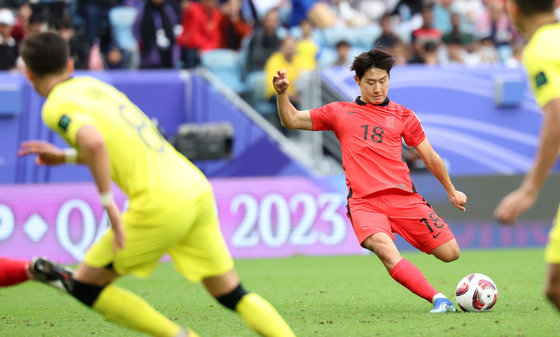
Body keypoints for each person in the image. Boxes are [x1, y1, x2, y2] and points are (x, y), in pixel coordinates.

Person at [16, 31, 295, 337]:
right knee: (231, 292)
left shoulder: (56, 104)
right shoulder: (95, 87)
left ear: (27, 72)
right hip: (193, 186)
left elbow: (95, 144)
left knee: (83, 285)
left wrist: (108, 204)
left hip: (161, 201)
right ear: (70, 64)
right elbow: (115, 146)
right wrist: (66, 157)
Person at [273, 48, 467, 313]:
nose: (378, 88)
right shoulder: (339, 112)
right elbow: (291, 120)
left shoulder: (403, 116)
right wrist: (282, 93)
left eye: (383, 81)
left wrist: (451, 191)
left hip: (404, 199)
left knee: (450, 253)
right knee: (385, 250)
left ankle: (408, 242)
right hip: (365, 203)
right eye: (370, 82)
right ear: (358, 81)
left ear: (389, 78)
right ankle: (438, 299)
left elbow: (430, 157)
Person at [494, 0, 560, 311]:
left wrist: (529, 189)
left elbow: (557, 116)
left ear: (512, 9)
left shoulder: (540, 50)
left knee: (556, 287)